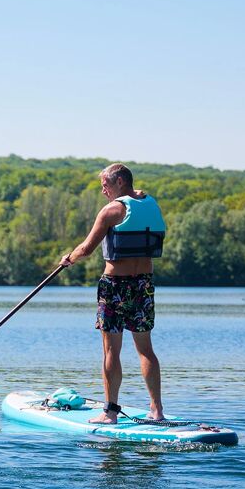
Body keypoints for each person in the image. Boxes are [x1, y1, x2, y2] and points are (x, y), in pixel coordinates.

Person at [60, 164, 167, 424]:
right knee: (146, 350)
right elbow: (138, 195)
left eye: (105, 185)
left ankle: (110, 413)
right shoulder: (150, 202)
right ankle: (157, 410)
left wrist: (68, 259)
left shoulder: (112, 211)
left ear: (119, 181)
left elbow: (86, 248)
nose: (103, 191)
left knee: (111, 352)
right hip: (143, 285)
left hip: (115, 286)